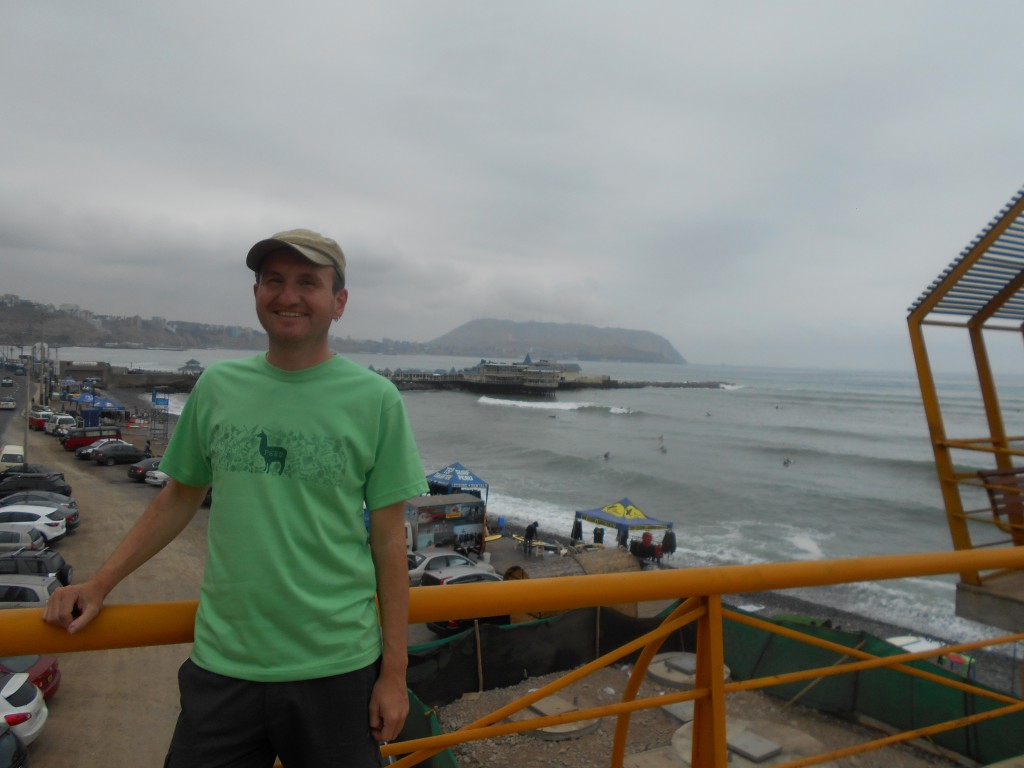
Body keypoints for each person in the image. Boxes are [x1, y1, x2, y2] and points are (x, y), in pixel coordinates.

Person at [44, 228, 428, 768]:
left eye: (307, 283)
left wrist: (393, 673)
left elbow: (389, 542)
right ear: (255, 294)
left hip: (337, 669)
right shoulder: (218, 387)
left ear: (338, 302)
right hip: (224, 666)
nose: (287, 295)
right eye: (273, 280)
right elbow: (177, 500)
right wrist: (99, 583)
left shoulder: (376, 400)